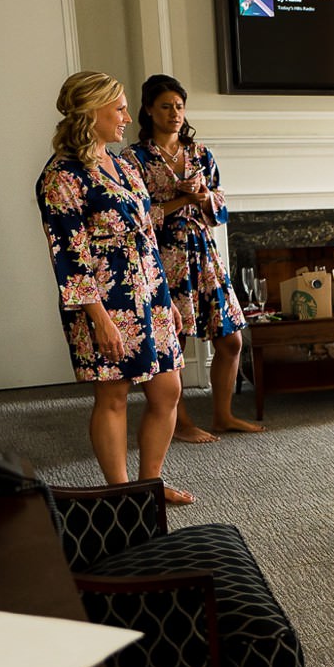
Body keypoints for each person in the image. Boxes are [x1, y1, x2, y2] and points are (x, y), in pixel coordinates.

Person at [36, 70, 193, 505]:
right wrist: (100, 320)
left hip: (150, 295)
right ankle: (123, 494)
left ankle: (151, 484)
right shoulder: (61, 178)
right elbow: (68, 255)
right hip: (104, 304)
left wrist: (165, 295)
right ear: (92, 112)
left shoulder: (123, 164)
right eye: (119, 108)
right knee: (114, 396)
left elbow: (145, 232)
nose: (127, 116)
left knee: (169, 389)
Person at [124, 73, 262, 442]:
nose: (174, 114)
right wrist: (183, 199)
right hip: (163, 257)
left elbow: (221, 211)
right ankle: (182, 423)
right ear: (149, 109)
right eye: (166, 106)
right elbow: (139, 218)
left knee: (231, 339)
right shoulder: (133, 159)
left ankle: (223, 415)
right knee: (175, 344)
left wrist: (203, 197)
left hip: (203, 254)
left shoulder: (201, 154)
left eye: (180, 106)